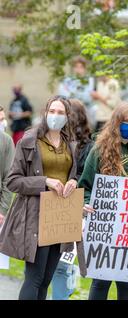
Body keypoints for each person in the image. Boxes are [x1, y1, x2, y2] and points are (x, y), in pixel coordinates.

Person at [0, 95, 79, 300]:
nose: (55, 116)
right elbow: (13, 181)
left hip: (61, 216)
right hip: (36, 216)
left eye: (60, 112)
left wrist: (74, 182)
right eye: (52, 111)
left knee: (46, 280)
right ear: (45, 113)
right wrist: (44, 181)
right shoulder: (30, 141)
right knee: (34, 278)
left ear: (67, 117)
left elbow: (73, 174)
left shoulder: (70, 144)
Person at [78, 101, 128, 300]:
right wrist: (86, 203)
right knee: (100, 281)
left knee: (127, 281)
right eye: (125, 121)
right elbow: (84, 186)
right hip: (105, 226)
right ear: (115, 122)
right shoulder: (98, 152)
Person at [50, 99, 95, 300]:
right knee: (52, 266)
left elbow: (87, 180)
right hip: (53, 209)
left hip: (77, 212)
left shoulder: (89, 148)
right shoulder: (53, 142)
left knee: (64, 265)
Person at [58, 56, 95, 126]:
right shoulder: (67, 80)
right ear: (73, 68)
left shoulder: (89, 80)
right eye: (76, 67)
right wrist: (81, 93)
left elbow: (88, 98)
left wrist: (71, 93)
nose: (78, 69)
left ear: (84, 68)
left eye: (81, 67)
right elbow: (63, 96)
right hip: (69, 112)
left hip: (85, 112)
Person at [0, 106, 14, 226]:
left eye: (3, 119)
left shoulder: (6, 141)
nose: (3, 123)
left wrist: (2, 210)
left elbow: (8, 177)